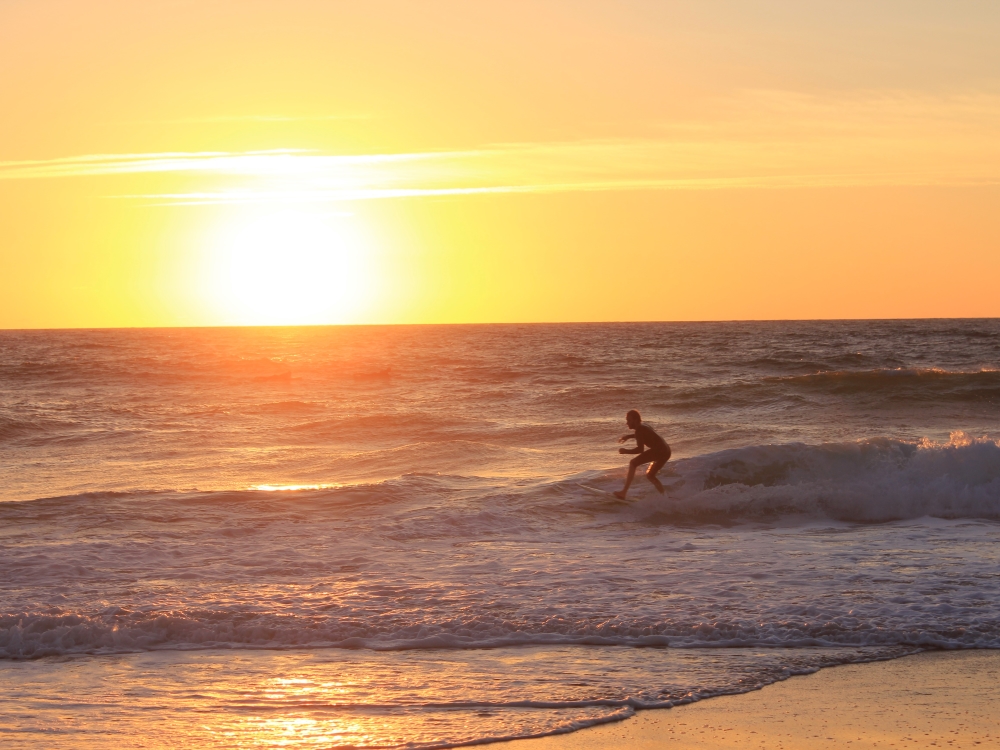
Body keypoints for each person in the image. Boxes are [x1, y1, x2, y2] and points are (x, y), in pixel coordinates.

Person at [614, 409, 670, 500]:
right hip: (667, 451)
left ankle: (623, 492)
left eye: (629, 420)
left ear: (635, 420)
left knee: (633, 463)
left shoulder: (639, 430)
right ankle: (664, 496)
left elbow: (640, 449)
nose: (627, 423)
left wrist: (625, 451)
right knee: (650, 475)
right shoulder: (644, 426)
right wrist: (628, 436)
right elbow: (643, 434)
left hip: (659, 451)